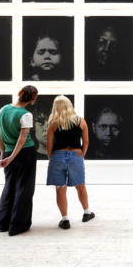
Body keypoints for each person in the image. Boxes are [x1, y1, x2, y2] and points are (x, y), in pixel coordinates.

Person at [0, 86, 39, 236]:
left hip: (8, 152)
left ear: (19, 94)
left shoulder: (3, 109)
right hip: (25, 154)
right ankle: (17, 225)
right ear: (33, 99)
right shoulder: (26, 115)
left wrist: (3, 152)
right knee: (24, 188)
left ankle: (2, 223)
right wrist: (11, 157)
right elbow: (22, 139)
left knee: (9, 186)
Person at [46, 96, 95, 229]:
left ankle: (65, 220)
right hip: (76, 155)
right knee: (81, 186)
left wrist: (52, 158)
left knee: (60, 189)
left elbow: (49, 144)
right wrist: (82, 154)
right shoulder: (81, 121)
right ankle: (87, 213)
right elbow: (86, 142)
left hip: (57, 156)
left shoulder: (53, 123)